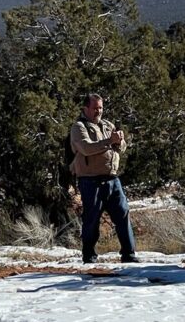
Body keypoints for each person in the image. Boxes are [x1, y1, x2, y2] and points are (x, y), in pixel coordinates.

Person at [69, 93, 139, 264]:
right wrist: (109, 141)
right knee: (92, 219)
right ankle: (89, 256)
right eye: (95, 108)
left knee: (123, 214)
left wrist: (119, 140)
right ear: (85, 108)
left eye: (100, 108)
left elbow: (121, 148)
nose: (98, 111)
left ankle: (129, 255)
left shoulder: (108, 125)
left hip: (112, 179)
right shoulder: (78, 127)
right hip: (90, 180)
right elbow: (85, 148)